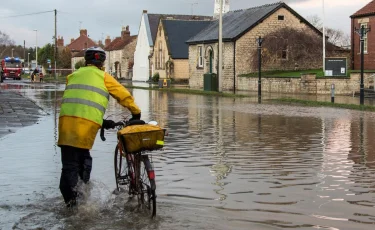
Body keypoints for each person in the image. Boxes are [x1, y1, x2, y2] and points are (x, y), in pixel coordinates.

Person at [57, 46, 141, 207]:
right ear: (102, 62)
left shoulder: (72, 76)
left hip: (65, 125)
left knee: (69, 165)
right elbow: (123, 95)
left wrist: (102, 122)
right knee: (82, 162)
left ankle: (71, 203)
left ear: (86, 61)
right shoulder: (104, 77)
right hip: (85, 128)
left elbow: (79, 104)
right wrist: (136, 113)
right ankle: (79, 204)